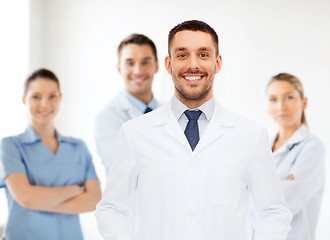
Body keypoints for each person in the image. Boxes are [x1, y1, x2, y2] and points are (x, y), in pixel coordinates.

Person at [95, 20, 292, 240]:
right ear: (168, 65)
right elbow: (112, 208)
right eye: (182, 55)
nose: (193, 65)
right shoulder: (134, 134)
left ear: (217, 63)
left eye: (203, 54)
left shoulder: (250, 135)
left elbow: (273, 212)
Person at [0, 69, 101, 240]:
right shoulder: (11, 146)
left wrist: (39, 201)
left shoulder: (78, 148)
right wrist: (74, 190)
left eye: (52, 96)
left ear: (60, 98)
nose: (45, 104)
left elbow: (95, 200)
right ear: (24, 100)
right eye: (36, 97)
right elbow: (26, 198)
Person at [265, 73, 325, 240]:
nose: (281, 106)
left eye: (289, 97)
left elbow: (284, 204)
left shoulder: (312, 148)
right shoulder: (261, 148)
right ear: (268, 107)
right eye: (273, 99)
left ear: (304, 102)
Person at [94, 33, 160, 174]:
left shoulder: (172, 112)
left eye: (145, 62)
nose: (138, 71)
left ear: (156, 66)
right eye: (130, 63)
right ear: (119, 68)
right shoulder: (107, 118)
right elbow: (126, 172)